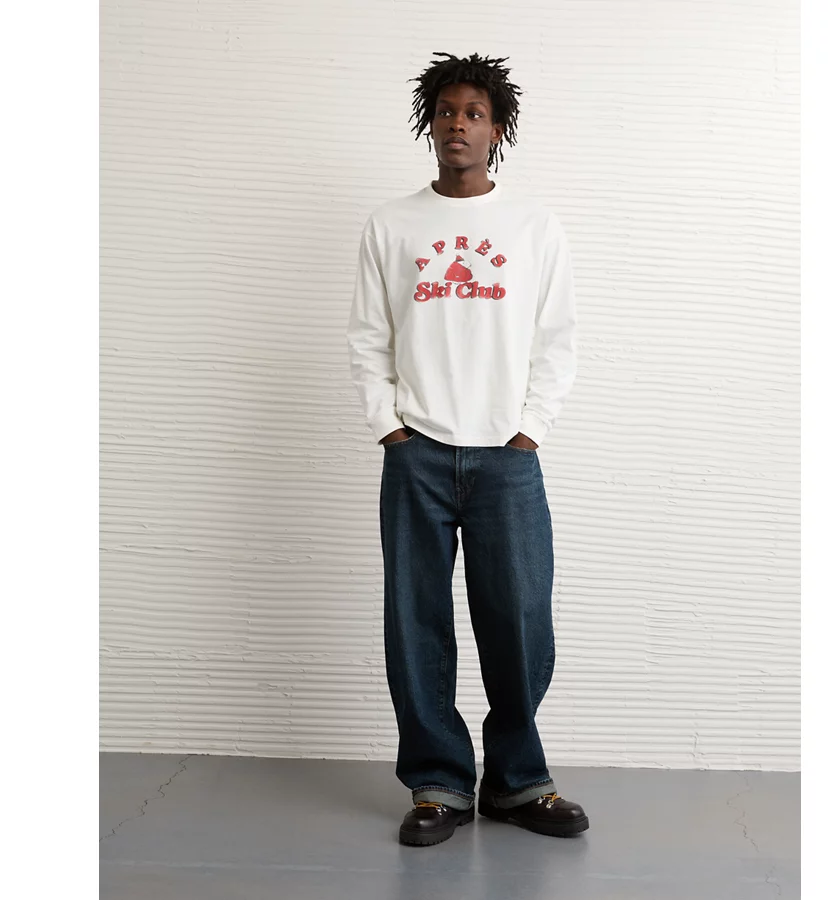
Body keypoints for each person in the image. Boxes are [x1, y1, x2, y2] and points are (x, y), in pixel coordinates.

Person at [346, 51, 588, 846]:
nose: (458, 124)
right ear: (430, 124)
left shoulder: (533, 227)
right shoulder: (392, 225)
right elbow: (368, 336)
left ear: (497, 129)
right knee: (415, 621)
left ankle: (517, 783)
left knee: (520, 621)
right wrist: (389, 427)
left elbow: (556, 339)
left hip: (506, 459)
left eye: (474, 113)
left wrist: (530, 431)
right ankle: (439, 784)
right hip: (416, 452)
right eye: (446, 111)